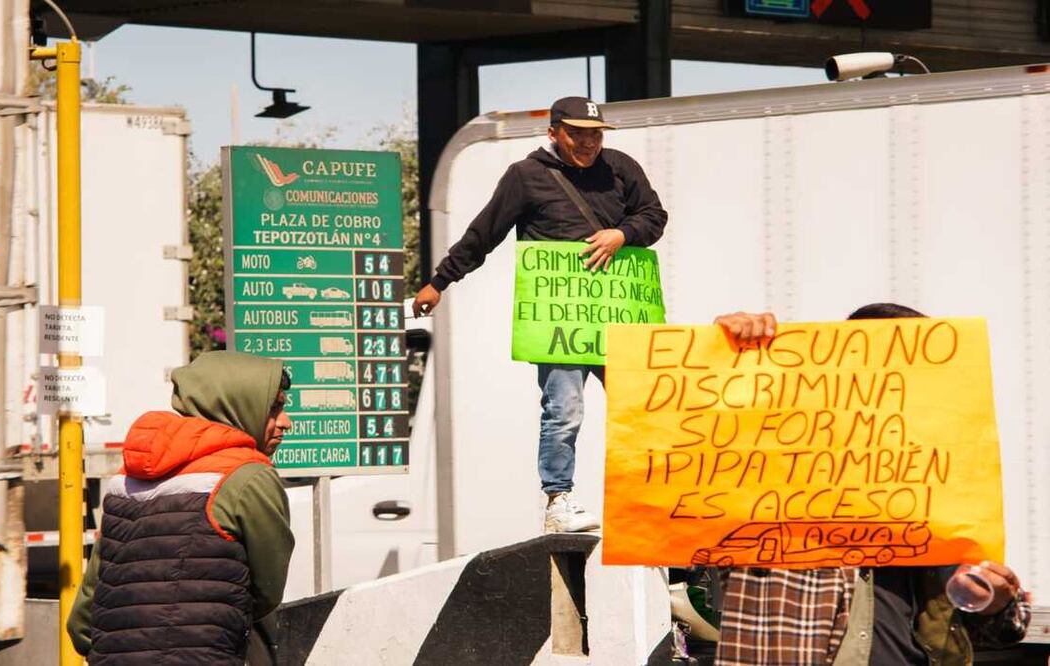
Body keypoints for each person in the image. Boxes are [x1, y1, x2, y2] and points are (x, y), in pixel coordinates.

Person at [710, 306, 1031, 666]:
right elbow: (693, 449)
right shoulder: (767, 473)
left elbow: (1003, 629)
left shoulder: (938, 490)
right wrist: (725, 358)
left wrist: (995, 600)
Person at [412, 96, 668, 533]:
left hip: (618, 315)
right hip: (560, 322)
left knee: (641, 408)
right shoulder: (526, 177)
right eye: (577, 133)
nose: (589, 142)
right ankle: (559, 501)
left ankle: (644, 497)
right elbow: (484, 232)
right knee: (564, 410)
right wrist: (440, 281)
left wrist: (622, 234)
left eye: (596, 133)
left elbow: (654, 216)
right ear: (553, 132)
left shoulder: (621, 167)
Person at [67, 351, 294, 665]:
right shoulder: (248, 478)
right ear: (240, 404)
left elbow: (82, 620)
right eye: (275, 408)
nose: (286, 423)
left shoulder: (126, 481)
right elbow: (265, 592)